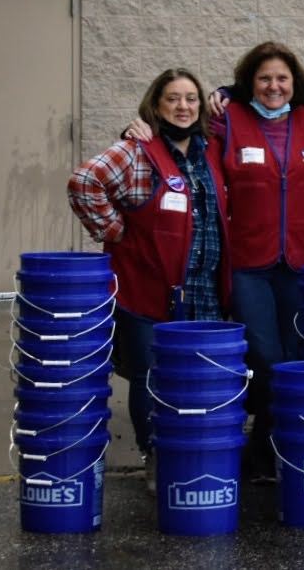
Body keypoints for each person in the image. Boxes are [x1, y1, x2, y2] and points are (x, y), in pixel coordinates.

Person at [67, 68, 230, 493]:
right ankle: (154, 454)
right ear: (155, 105)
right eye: (172, 99)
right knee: (150, 378)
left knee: (197, 376)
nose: (183, 107)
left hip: (203, 289)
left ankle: (194, 452)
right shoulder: (137, 150)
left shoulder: (209, 149)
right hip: (148, 289)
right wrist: (115, 231)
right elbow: (84, 182)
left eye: (191, 99)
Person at [216, 42, 304, 481]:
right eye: (264, 79)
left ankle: (275, 447)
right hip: (248, 260)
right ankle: (263, 442)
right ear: (249, 84)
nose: (274, 86)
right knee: (264, 352)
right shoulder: (227, 120)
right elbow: (179, 141)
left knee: (296, 353)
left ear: (294, 83)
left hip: (300, 259)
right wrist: (135, 130)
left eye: (281, 78)